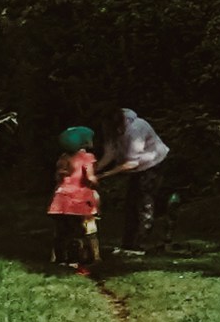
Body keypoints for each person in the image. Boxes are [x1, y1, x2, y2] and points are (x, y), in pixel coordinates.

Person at [99, 106, 172, 258]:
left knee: (143, 204)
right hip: (137, 168)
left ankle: (139, 245)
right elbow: (110, 153)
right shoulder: (112, 129)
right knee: (131, 204)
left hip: (153, 165)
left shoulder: (135, 129)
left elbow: (132, 163)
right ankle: (128, 245)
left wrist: (105, 175)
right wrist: (94, 169)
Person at [46, 126, 104, 276]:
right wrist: (97, 183)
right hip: (77, 202)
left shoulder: (63, 158)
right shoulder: (87, 158)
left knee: (61, 233)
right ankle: (74, 262)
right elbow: (90, 178)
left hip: (60, 201)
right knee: (76, 233)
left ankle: (59, 261)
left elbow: (57, 178)